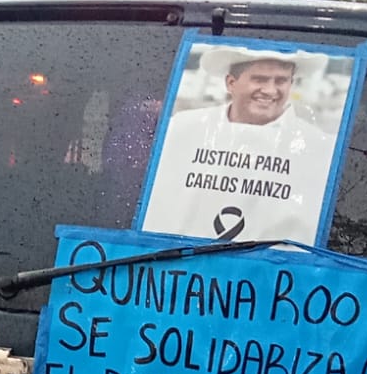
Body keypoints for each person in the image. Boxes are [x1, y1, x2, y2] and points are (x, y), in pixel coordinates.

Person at [139, 46, 341, 246]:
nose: (270, 90)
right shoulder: (182, 128)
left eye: (281, 80)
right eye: (259, 79)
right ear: (231, 83)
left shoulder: (319, 148)